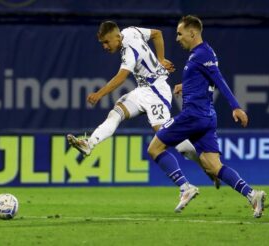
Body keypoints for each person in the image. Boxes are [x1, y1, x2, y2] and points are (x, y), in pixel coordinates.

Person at [67, 20, 219, 203]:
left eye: (107, 42)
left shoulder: (129, 51)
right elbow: (157, 33)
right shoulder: (131, 31)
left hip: (156, 92)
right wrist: (161, 59)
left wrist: (99, 94)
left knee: (173, 141)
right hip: (143, 90)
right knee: (116, 112)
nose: (105, 47)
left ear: (117, 36)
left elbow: (122, 77)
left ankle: (208, 166)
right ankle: (89, 144)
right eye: (102, 44)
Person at [147, 15, 266, 217]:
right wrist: (186, 86)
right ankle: (252, 194)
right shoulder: (203, 53)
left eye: (179, 33)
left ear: (192, 33)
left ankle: (185, 187)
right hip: (206, 117)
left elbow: (218, 80)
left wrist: (236, 107)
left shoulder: (201, 54)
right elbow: (207, 79)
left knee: (154, 148)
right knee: (213, 166)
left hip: (193, 115)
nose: (177, 38)